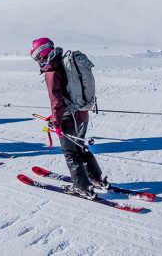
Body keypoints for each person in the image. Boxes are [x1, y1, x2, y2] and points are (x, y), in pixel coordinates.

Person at [30, 37, 107, 200]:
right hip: (82, 114)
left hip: (68, 118)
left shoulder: (52, 70)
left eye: (37, 56)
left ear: (43, 53)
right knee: (81, 148)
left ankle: (82, 187)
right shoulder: (63, 62)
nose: (37, 61)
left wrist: (56, 122)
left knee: (71, 153)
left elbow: (56, 100)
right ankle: (96, 178)